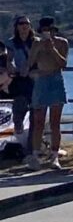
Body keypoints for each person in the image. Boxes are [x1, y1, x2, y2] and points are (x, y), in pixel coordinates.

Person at [26, 17, 69, 170]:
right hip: (41, 80)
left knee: (55, 122)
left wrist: (52, 49)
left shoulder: (62, 42)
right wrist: (38, 49)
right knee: (38, 121)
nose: (47, 32)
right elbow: (30, 63)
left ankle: (55, 155)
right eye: (44, 30)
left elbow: (63, 63)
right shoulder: (36, 43)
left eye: (49, 30)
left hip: (56, 79)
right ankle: (35, 155)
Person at [6, 16, 36, 151]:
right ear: (17, 26)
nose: (24, 26)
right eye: (21, 23)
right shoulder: (11, 43)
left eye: (27, 23)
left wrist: (30, 68)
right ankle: (20, 140)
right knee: (18, 113)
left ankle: (31, 149)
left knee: (36, 116)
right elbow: (8, 59)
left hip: (35, 80)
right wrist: (11, 66)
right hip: (20, 81)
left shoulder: (36, 42)